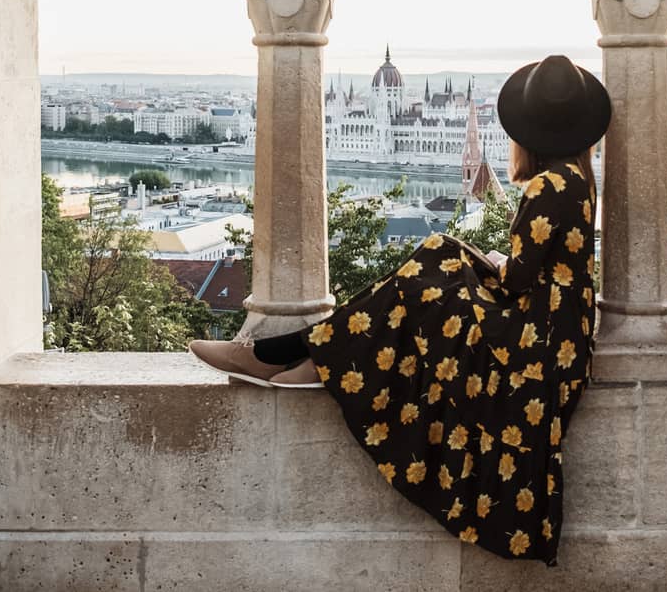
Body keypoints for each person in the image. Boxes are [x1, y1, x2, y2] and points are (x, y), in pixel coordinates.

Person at [189, 54, 610, 565]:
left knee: (426, 270)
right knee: (437, 256)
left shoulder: (549, 184)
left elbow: (520, 278)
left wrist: (498, 261)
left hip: (534, 343)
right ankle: (305, 354)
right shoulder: (579, 178)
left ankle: (290, 353)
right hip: (556, 336)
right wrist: (493, 260)